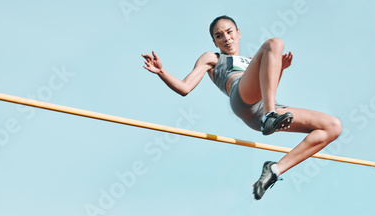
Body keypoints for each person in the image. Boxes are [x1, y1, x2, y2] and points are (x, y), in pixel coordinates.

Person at [142, 15, 342, 200]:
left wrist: (279, 69)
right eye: (219, 36)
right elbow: (185, 88)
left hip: (264, 107)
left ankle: (275, 170)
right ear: (214, 42)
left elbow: (267, 89)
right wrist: (162, 72)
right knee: (275, 43)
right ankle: (269, 116)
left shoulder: (252, 61)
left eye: (229, 32)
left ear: (238, 33)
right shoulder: (213, 58)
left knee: (332, 126)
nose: (226, 38)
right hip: (242, 98)